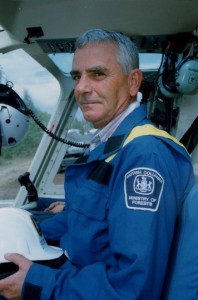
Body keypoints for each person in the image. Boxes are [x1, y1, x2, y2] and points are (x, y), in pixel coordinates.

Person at [0, 28, 195, 300]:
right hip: (78, 275)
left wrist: (37, 283)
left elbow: (131, 290)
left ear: (133, 82)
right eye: (77, 76)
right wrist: (29, 229)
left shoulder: (144, 156)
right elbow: (86, 218)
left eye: (98, 74)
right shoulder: (113, 145)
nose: (81, 88)